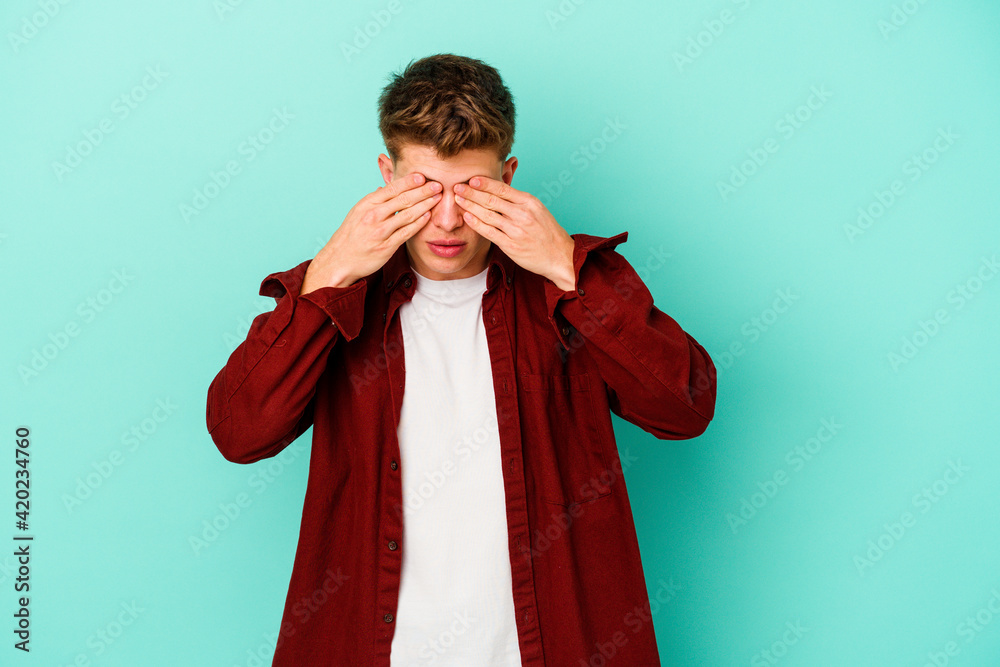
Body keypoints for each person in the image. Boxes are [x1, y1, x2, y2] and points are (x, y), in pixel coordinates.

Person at [205, 52, 716, 666]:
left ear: (509, 176)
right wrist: (329, 274)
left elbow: (684, 408)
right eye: (423, 190)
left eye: (471, 191)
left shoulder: (572, 285)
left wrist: (566, 267)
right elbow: (239, 432)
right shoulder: (337, 296)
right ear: (385, 177)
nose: (447, 220)